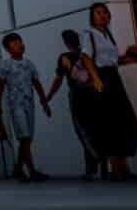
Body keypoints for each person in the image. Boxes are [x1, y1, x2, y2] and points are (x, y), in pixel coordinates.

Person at [86, 3, 137, 179]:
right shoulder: (89, 35)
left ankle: (122, 164)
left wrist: (132, 59)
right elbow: (86, 57)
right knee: (112, 121)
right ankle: (116, 166)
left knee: (127, 121)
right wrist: (96, 79)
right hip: (102, 78)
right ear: (92, 17)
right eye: (98, 13)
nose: (102, 15)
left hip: (113, 77)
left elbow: (113, 61)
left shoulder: (108, 36)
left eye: (105, 12)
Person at [44, 28, 104, 180]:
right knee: (96, 127)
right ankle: (98, 166)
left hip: (77, 95)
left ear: (65, 43)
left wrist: (48, 96)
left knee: (82, 130)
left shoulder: (64, 57)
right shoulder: (88, 54)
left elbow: (58, 80)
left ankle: (96, 161)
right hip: (94, 93)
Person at [0, 33, 51, 181]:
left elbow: (36, 83)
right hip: (15, 104)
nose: (19, 44)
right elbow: (0, 86)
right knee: (24, 137)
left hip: (29, 104)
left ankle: (18, 169)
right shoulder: (6, 65)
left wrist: (44, 101)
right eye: (14, 43)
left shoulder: (29, 64)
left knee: (26, 139)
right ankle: (32, 171)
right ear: (8, 49)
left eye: (20, 41)